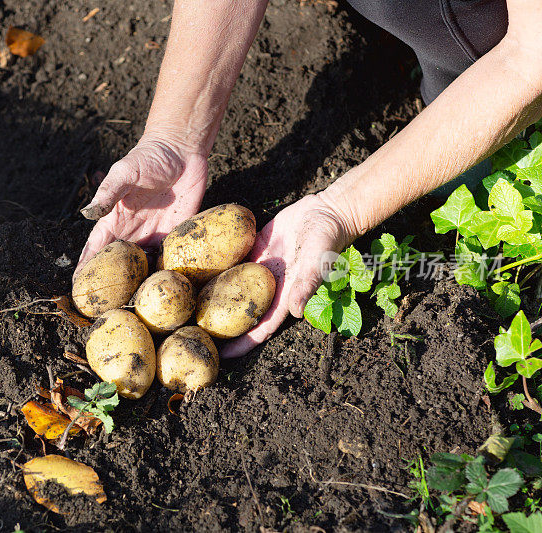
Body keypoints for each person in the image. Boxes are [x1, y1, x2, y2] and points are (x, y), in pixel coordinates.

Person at [75, 0, 542, 358]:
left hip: (500, 44)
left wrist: (342, 208)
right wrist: (175, 137)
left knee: (463, 185)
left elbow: (529, 56)